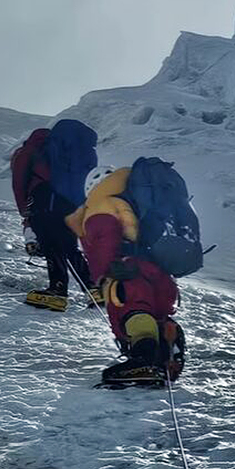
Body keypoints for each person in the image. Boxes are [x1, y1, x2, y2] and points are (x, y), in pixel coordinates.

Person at [66, 162, 190, 383]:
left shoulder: (100, 205)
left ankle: (143, 360)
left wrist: (105, 272)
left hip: (128, 272)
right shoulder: (133, 203)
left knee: (130, 311)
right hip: (159, 274)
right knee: (154, 315)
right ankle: (165, 354)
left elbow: (105, 238)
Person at [10, 120, 102, 311]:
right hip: (71, 203)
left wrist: (25, 210)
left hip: (44, 200)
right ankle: (93, 289)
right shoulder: (72, 150)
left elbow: (19, 182)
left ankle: (57, 291)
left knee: (51, 244)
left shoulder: (31, 150)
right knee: (69, 246)